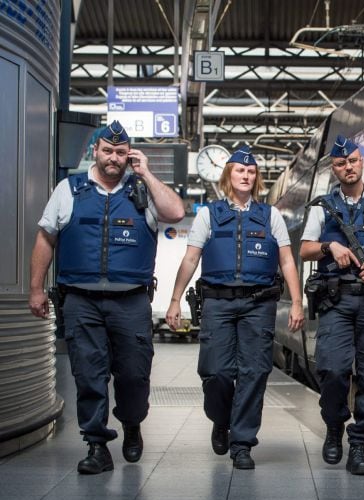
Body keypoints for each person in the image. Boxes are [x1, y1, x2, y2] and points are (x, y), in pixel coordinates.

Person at [28, 120, 185, 474]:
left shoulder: (141, 191)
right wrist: (36, 288)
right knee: (89, 374)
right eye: (107, 151)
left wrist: (146, 173)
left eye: (120, 152)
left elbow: (175, 212)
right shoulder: (69, 190)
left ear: (129, 155)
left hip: (131, 301)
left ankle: (132, 424)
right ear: (94, 152)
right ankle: (97, 445)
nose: (113, 158)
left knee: (133, 374)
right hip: (81, 300)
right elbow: (45, 238)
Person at [164, 145, 304, 469]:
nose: (246, 175)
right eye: (240, 170)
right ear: (229, 175)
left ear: (256, 178)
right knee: (216, 372)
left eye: (252, 171)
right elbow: (190, 258)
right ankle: (220, 417)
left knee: (254, 373)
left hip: (259, 304)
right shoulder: (207, 215)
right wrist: (174, 300)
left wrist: (297, 303)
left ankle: (242, 443)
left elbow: (286, 260)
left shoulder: (271, 216)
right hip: (217, 303)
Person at [299, 135, 364, 475]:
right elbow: (305, 250)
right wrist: (329, 247)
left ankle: (359, 444)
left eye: (354, 161)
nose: (349, 167)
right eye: (342, 164)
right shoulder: (322, 207)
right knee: (332, 369)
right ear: (334, 169)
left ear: (363, 163)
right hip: (337, 300)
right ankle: (334, 427)